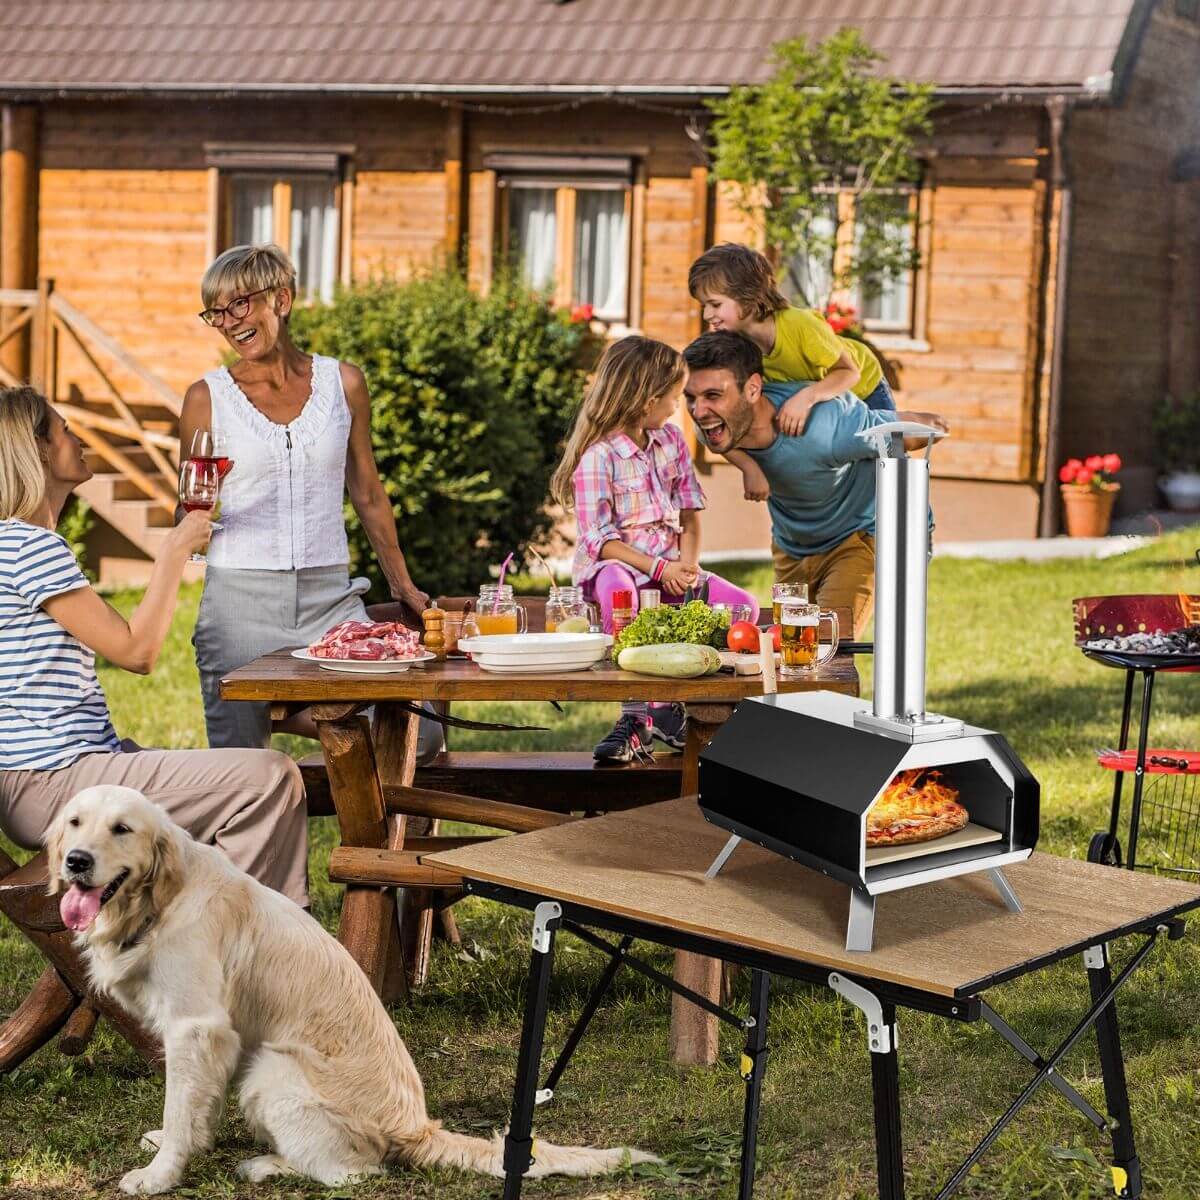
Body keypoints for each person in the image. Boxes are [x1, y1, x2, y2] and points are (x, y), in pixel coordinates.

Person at [0, 386, 309, 907]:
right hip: (54, 782)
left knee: (227, 788)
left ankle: (205, 942)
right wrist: (175, 550)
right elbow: (138, 653)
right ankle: (259, 951)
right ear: (38, 450)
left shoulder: (14, 544)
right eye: (65, 430)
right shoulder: (30, 547)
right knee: (270, 779)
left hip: (45, 777)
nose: (79, 439)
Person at [182, 244, 442, 758]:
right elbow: (190, 509)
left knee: (423, 733)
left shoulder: (343, 384)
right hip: (238, 606)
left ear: (282, 298)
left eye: (240, 304)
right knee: (241, 774)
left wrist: (402, 584)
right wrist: (193, 515)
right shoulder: (205, 398)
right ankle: (279, 713)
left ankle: (302, 711)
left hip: (330, 601)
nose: (230, 322)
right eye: (216, 311)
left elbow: (367, 491)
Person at [550, 336, 759, 763]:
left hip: (668, 566)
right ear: (647, 400)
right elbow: (600, 540)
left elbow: (690, 514)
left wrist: (687, 566)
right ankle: (637, 715)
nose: (680, 405)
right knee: (619, 592)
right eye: (675, 396)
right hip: (618, 566)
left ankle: (680, 708)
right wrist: (658, 567)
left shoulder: (670, 441)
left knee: (742, 608)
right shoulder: (599, 457)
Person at [681, 332, 946, 639]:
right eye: (691, 397)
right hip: (792, 546)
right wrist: (749, 466)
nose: (698, 412)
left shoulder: (824, 427)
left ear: (753, 389)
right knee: (788, 654)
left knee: (824, 648)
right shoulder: (713, 427)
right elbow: (715, 441)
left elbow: (927, 429)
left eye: (713, 396)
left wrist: (922, 432)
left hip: (858, 539)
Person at [688, 242, 896, 503]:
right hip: (819, 407)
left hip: (863, 388)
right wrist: (749, 467)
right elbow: (713, 427)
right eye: (704, 306)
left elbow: (848, 373)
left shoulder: (800, 325)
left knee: (890, 459)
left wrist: (806, 398)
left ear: (747, 296)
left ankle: (905, 527)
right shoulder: (737, 346)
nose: (708, 315)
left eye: (715, 305)